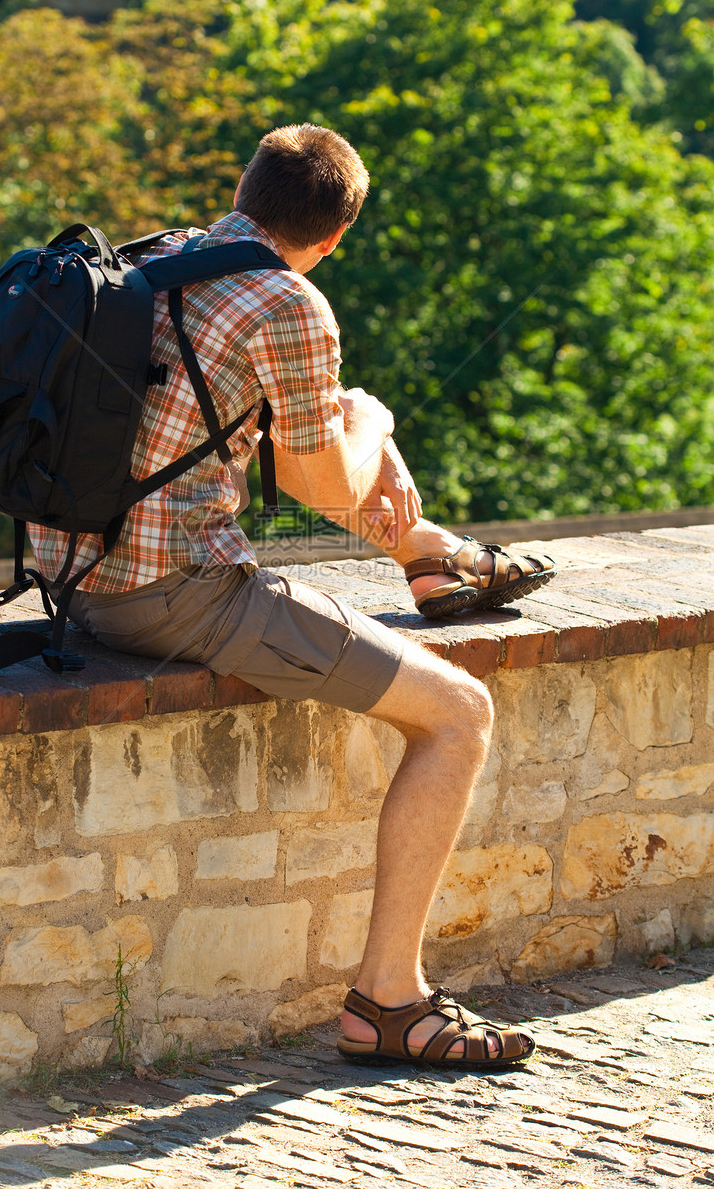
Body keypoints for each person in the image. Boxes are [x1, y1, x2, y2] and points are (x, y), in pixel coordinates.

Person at [28, 123, 554, 1070]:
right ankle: (390, 1001)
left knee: (340, 438)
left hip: (75, 575)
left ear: (245, 190)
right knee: (460, 713)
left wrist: (354, 430)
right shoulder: (288, 301)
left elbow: (266, 440)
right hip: (172, 591)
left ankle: (430, 559)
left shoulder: (165, 259)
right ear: (337, 234)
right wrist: (378, 419)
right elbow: (323, 489)